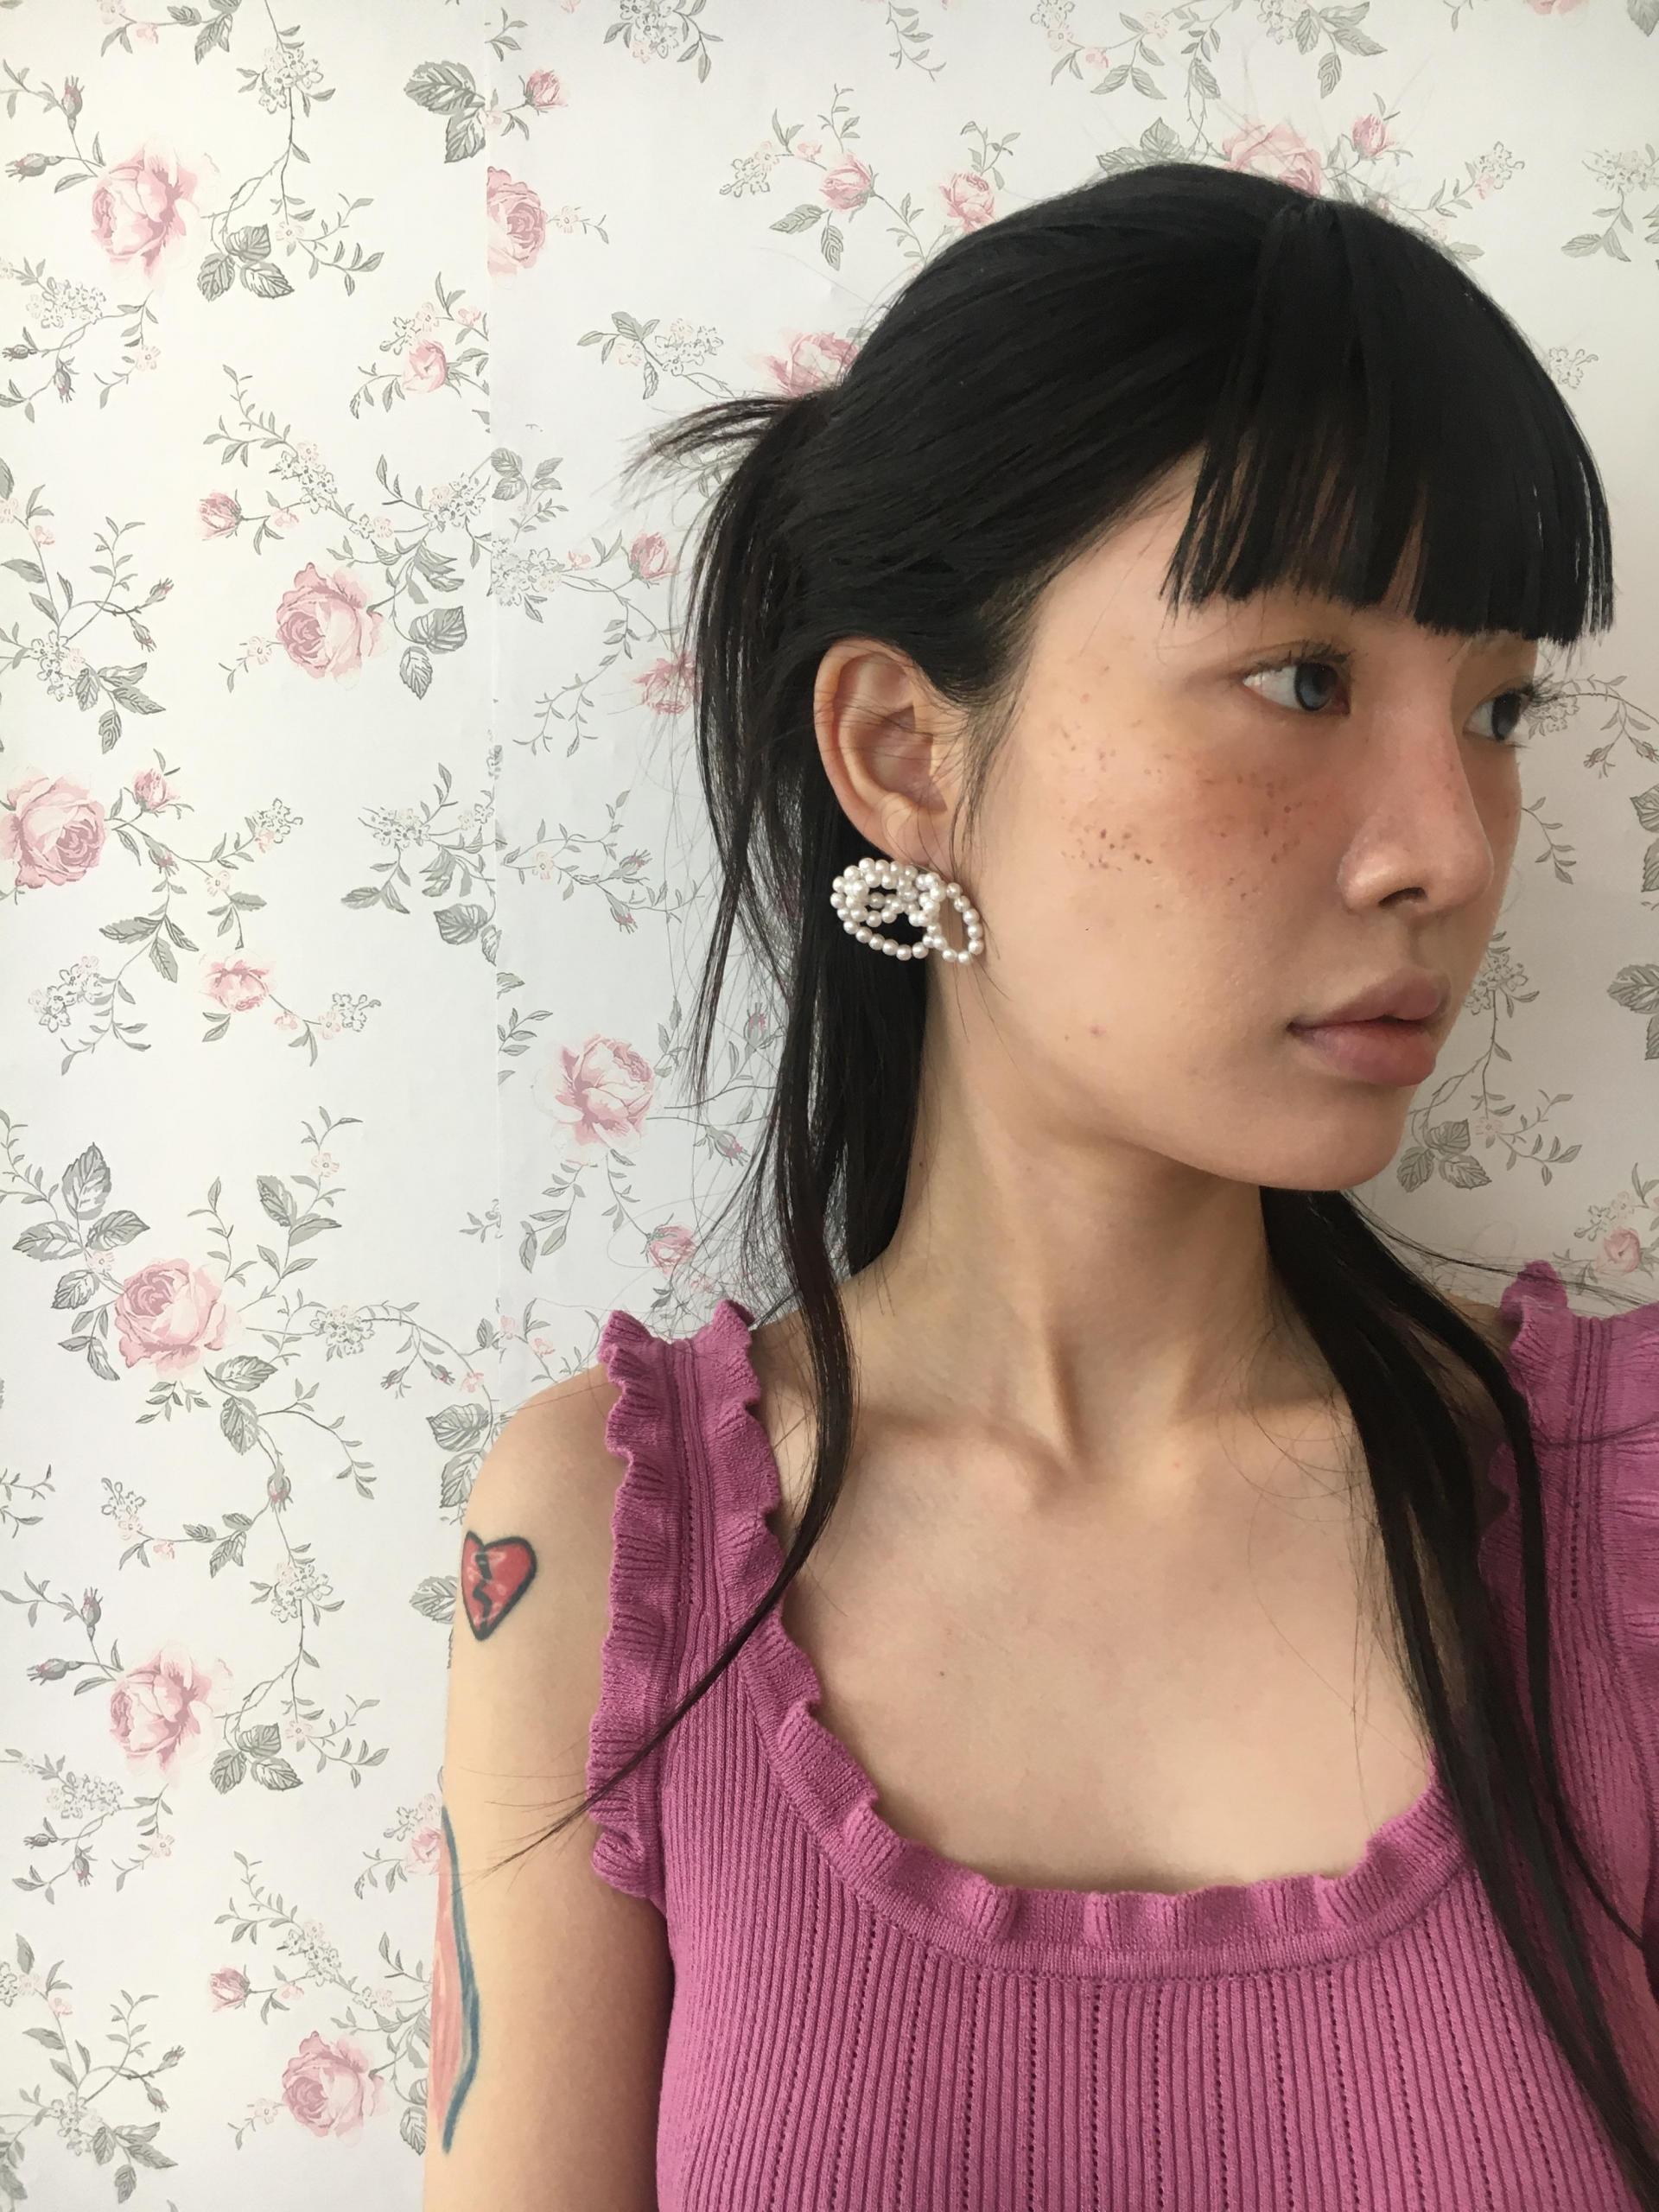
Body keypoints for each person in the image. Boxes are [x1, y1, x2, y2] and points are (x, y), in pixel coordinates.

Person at [423, 163, 1659, 2210]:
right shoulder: (609, 1539)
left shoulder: (1624, 1506)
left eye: (1498, 706)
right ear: (907, 751)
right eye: (1303, 680)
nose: (1448, 846)